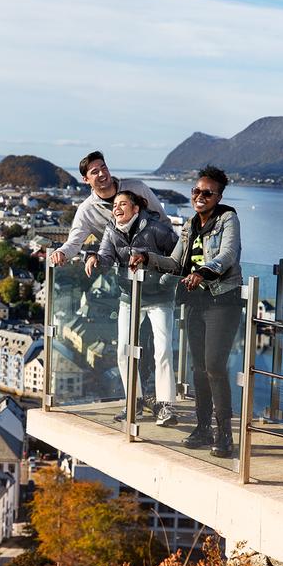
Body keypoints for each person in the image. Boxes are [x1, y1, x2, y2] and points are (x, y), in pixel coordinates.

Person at [130, 166, 242, 458]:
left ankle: (224, 433)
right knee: (198, 368)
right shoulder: (190, 224)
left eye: (208, 193)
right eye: (196, 191)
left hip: (223, 301)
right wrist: (147, 258)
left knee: (215, 366)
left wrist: (204, 272)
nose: (200, 196)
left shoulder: (228, 218)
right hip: (195, 303)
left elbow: (228, 254)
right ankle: (203, 427)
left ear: (218, 196)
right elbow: (176, 263)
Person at [85, 190, 179, 426]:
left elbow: (179, 258)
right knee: (124, 351)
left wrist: (165, 281)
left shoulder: (157, 229)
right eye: (114, 204)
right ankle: (134, 402)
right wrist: (94, 257)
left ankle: (166, 406)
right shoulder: (112, 229)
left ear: (136, 209)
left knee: (163, 350)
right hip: (130, 295)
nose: (116, 208)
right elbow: (107, 256)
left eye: (123, 204)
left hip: (159, 297)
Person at [49, 151, 170, 267]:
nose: (102, 173)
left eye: (104, 168)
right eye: (95, 171)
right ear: (85, 180)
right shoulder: (87, 210)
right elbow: (74, 243)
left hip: (156, 268)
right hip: (124, 274)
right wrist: (61, 252)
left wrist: (168, 263)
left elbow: (164, 222)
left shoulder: (137, 188)